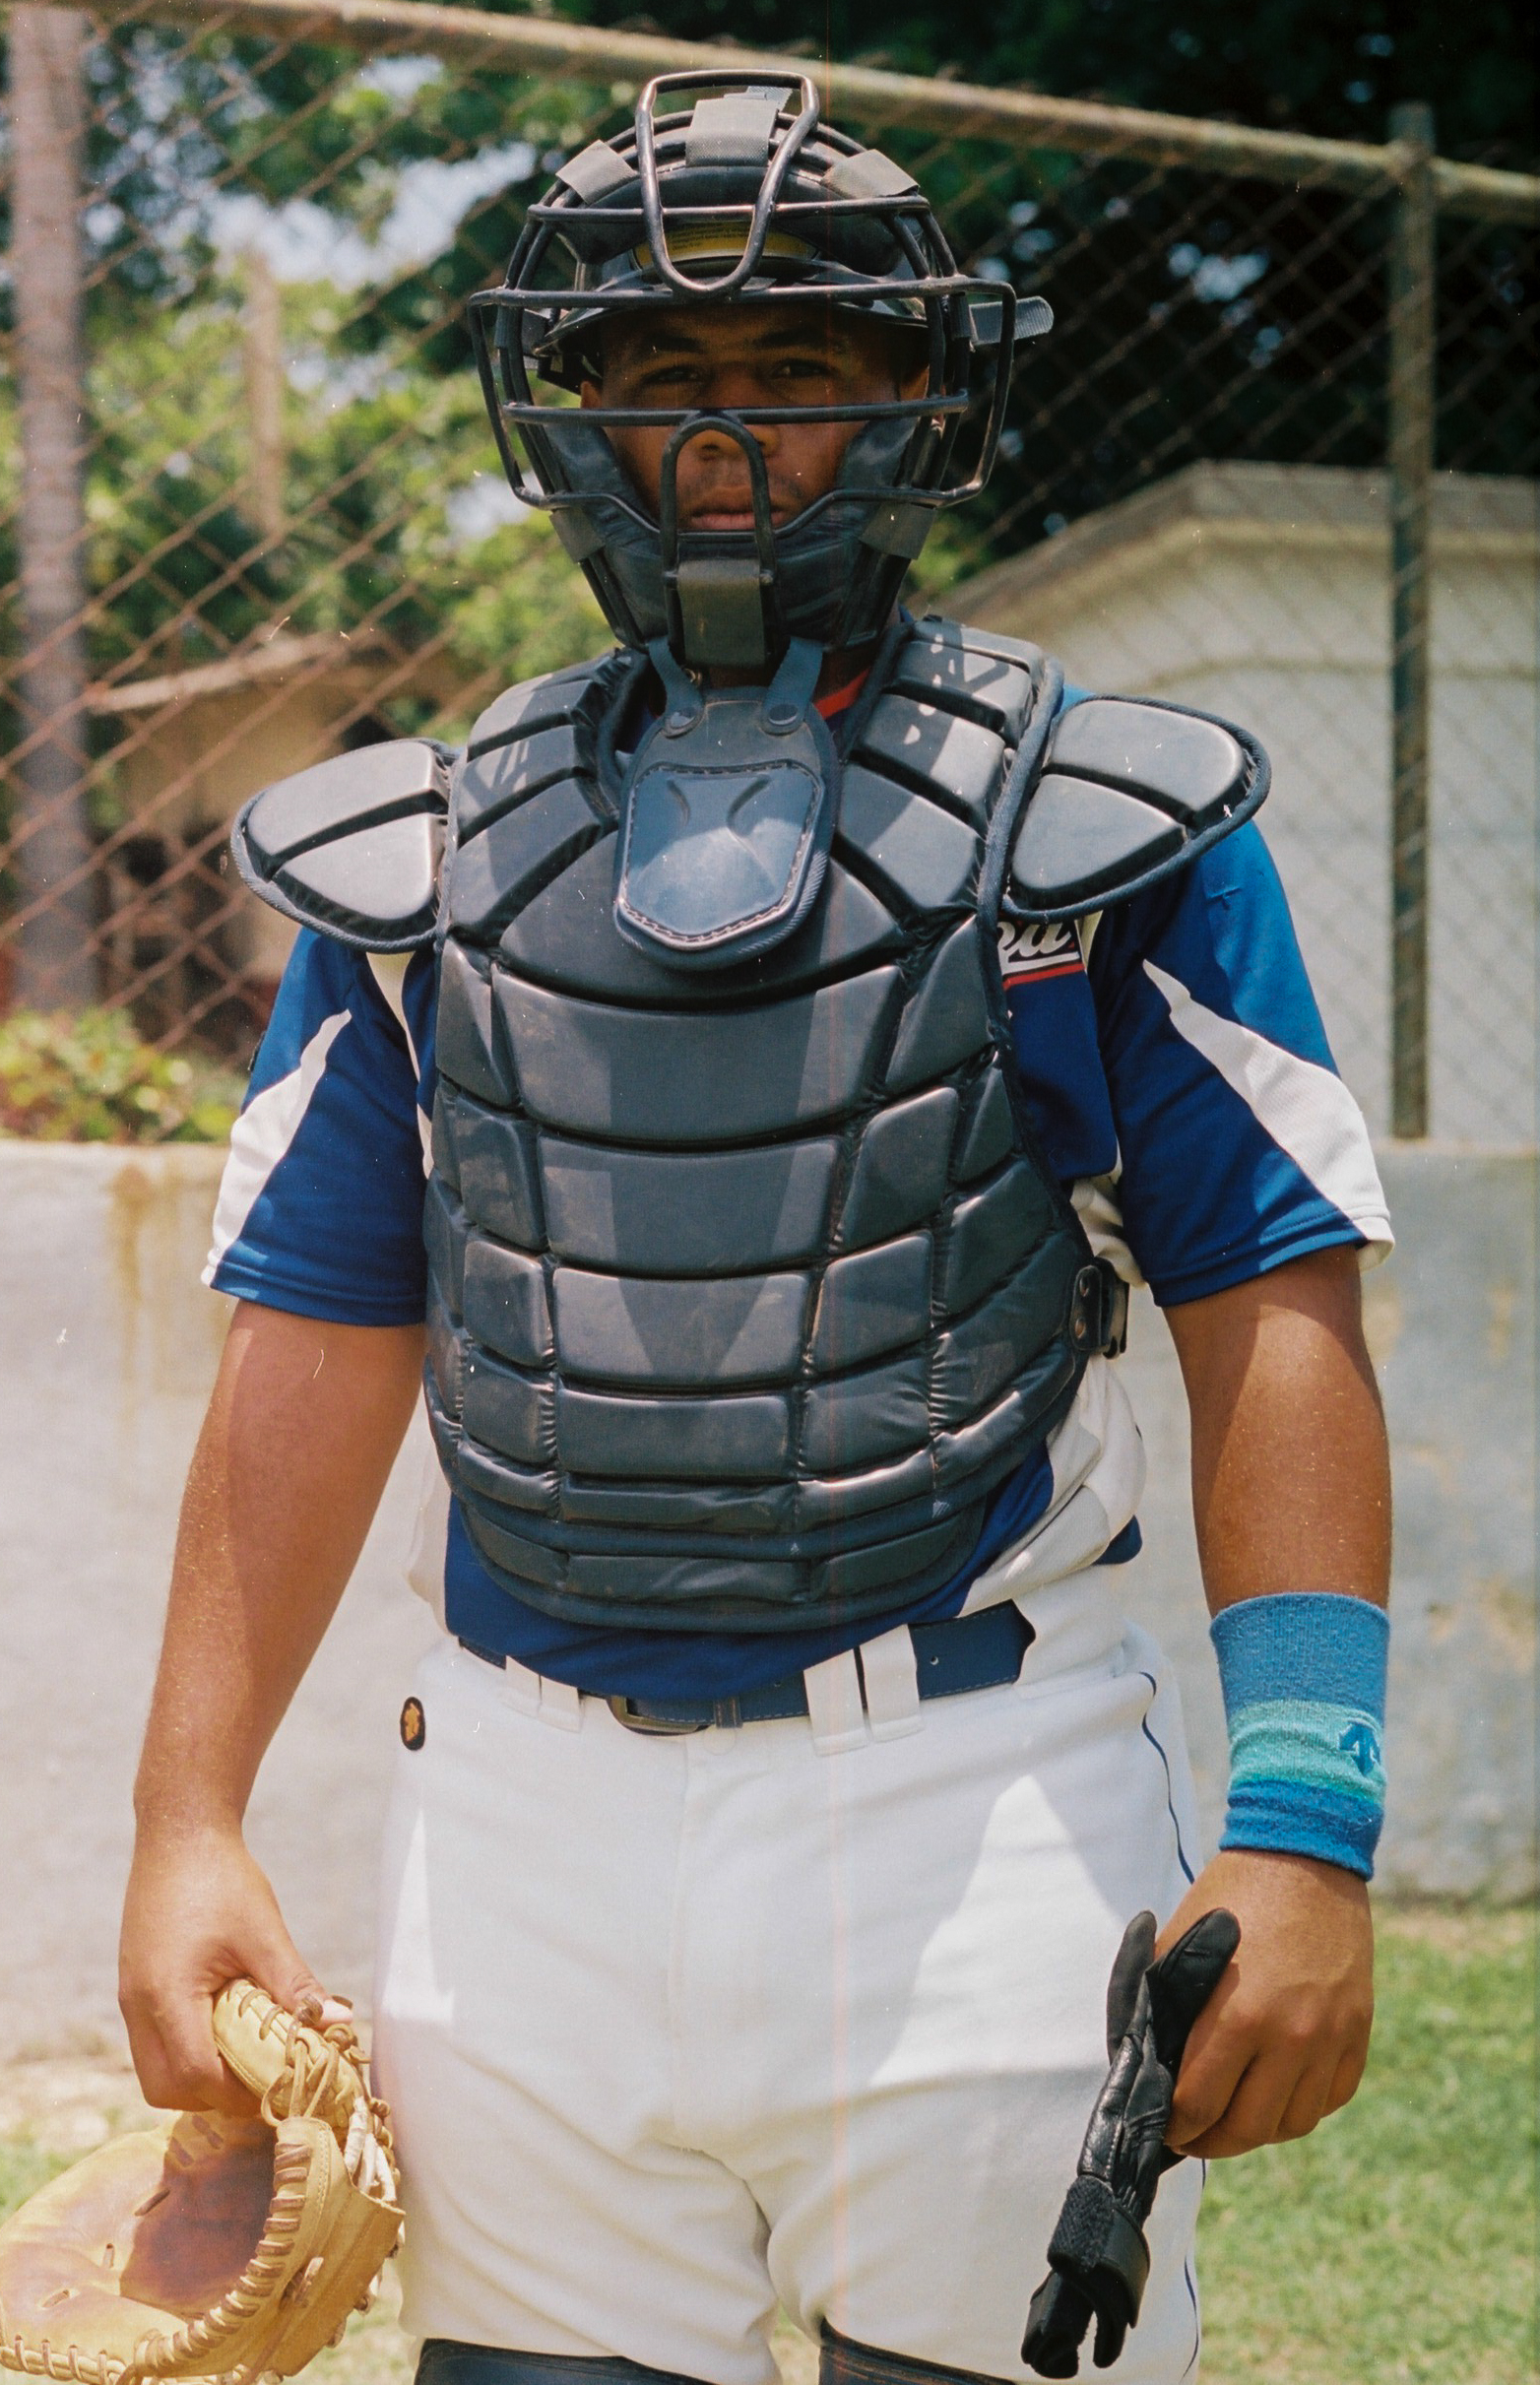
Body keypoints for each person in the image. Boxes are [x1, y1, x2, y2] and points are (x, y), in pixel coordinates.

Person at [119, 75, 1394, 2385]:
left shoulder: (1100, 827)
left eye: (794, 360)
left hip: (970, 1800)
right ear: (567, 413)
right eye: (657, 369)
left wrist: (1304, 1821)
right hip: (514, 1821)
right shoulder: (421, 863)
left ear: (918, 397)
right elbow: (311, 1331)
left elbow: (1271, 1305)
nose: (722, 435)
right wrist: (185, 1817)